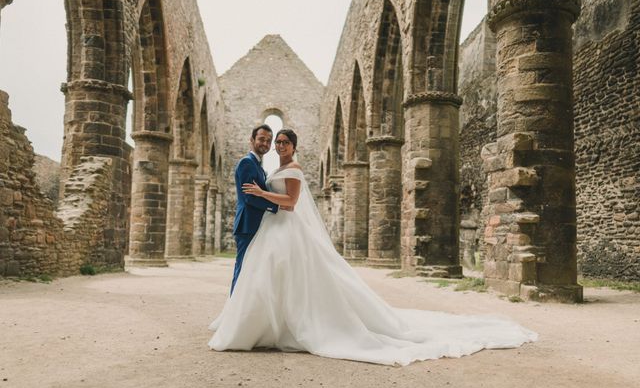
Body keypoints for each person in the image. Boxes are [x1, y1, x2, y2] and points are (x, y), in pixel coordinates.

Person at [209, 129, 537, 366]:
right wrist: (266, 197)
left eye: (283, 141)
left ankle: (286, 325)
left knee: (295, 276)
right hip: (275, 230)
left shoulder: (292, 169)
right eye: (274, 141)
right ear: (260, 142)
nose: (277, 145)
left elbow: (291, 203)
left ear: (294, 146)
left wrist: (265, 195)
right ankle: (269, 326)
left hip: (286, 226)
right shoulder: (275, 168)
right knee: (272, 276)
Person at [229, 124, 279, 295]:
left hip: (256, 224)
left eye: (268, 141)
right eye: (261, 139)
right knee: (242, 268)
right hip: (247, 224)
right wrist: (276, 206)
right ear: (252, 140)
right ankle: (233, 310)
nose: (265, 143)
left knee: (252, 270)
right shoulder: (247, 163)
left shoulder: (259, 167)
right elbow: (249, 197)